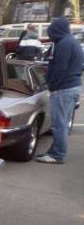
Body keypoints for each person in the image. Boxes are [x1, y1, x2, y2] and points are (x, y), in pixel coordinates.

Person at [36, 18, 83, 164]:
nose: (51, 36)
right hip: (72, 86)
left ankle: (57, 155)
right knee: (62, 123)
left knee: (59, 125)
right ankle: (54, 151)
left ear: (56, 31)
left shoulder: (64, 44)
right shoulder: (72, 42)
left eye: (51, 33)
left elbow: (60, 68)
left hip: (64, 89)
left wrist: (53, 86)